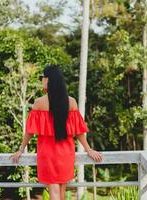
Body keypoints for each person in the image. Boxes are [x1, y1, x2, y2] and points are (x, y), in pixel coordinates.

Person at [9, 64, 103, 200]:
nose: (41, 80)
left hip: (47, 154)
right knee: (61, 193)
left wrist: (21, 149)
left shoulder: (39, 102)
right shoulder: (71, 102)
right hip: (66, 153)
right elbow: (79, 131)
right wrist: (89, 150)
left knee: (54, 192)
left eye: (42, 77)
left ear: (48, 80)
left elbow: (30, 131)